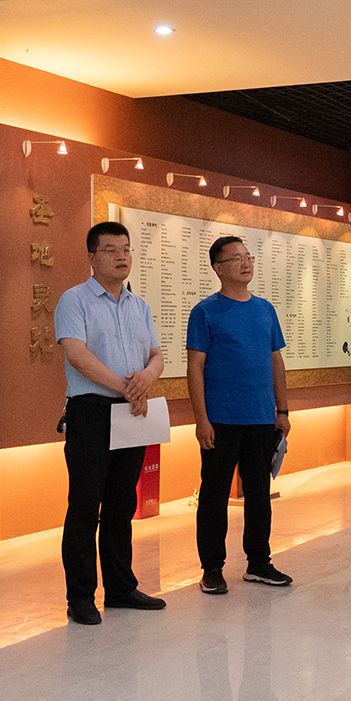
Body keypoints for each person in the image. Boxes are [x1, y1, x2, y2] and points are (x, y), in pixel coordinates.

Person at [53, 222, 167, 624]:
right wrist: (126, 387)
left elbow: (156, 355)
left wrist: (146, 378)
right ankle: (80, 596)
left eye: (126, 249)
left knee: (122, 504)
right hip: (91, 411)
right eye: (111, 250)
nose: (121, 256)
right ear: (92, 257)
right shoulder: (74, 300)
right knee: (85, 505)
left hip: (130, 413)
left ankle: (120, 588)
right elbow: (76, 354)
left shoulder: (139, 306)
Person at [186, 235, 291, 595]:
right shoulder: (205, 311)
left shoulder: (265, 309)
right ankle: (212, 568)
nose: (246, 263)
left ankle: (259, 562)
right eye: (236, 258)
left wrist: (282, 409)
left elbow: (276, 360)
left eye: (248, 257)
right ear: (218, 268)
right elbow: (195, 367)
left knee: (259, 493)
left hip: (261, 417)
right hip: (221, 418)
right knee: (214, 495)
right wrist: (201, 418)